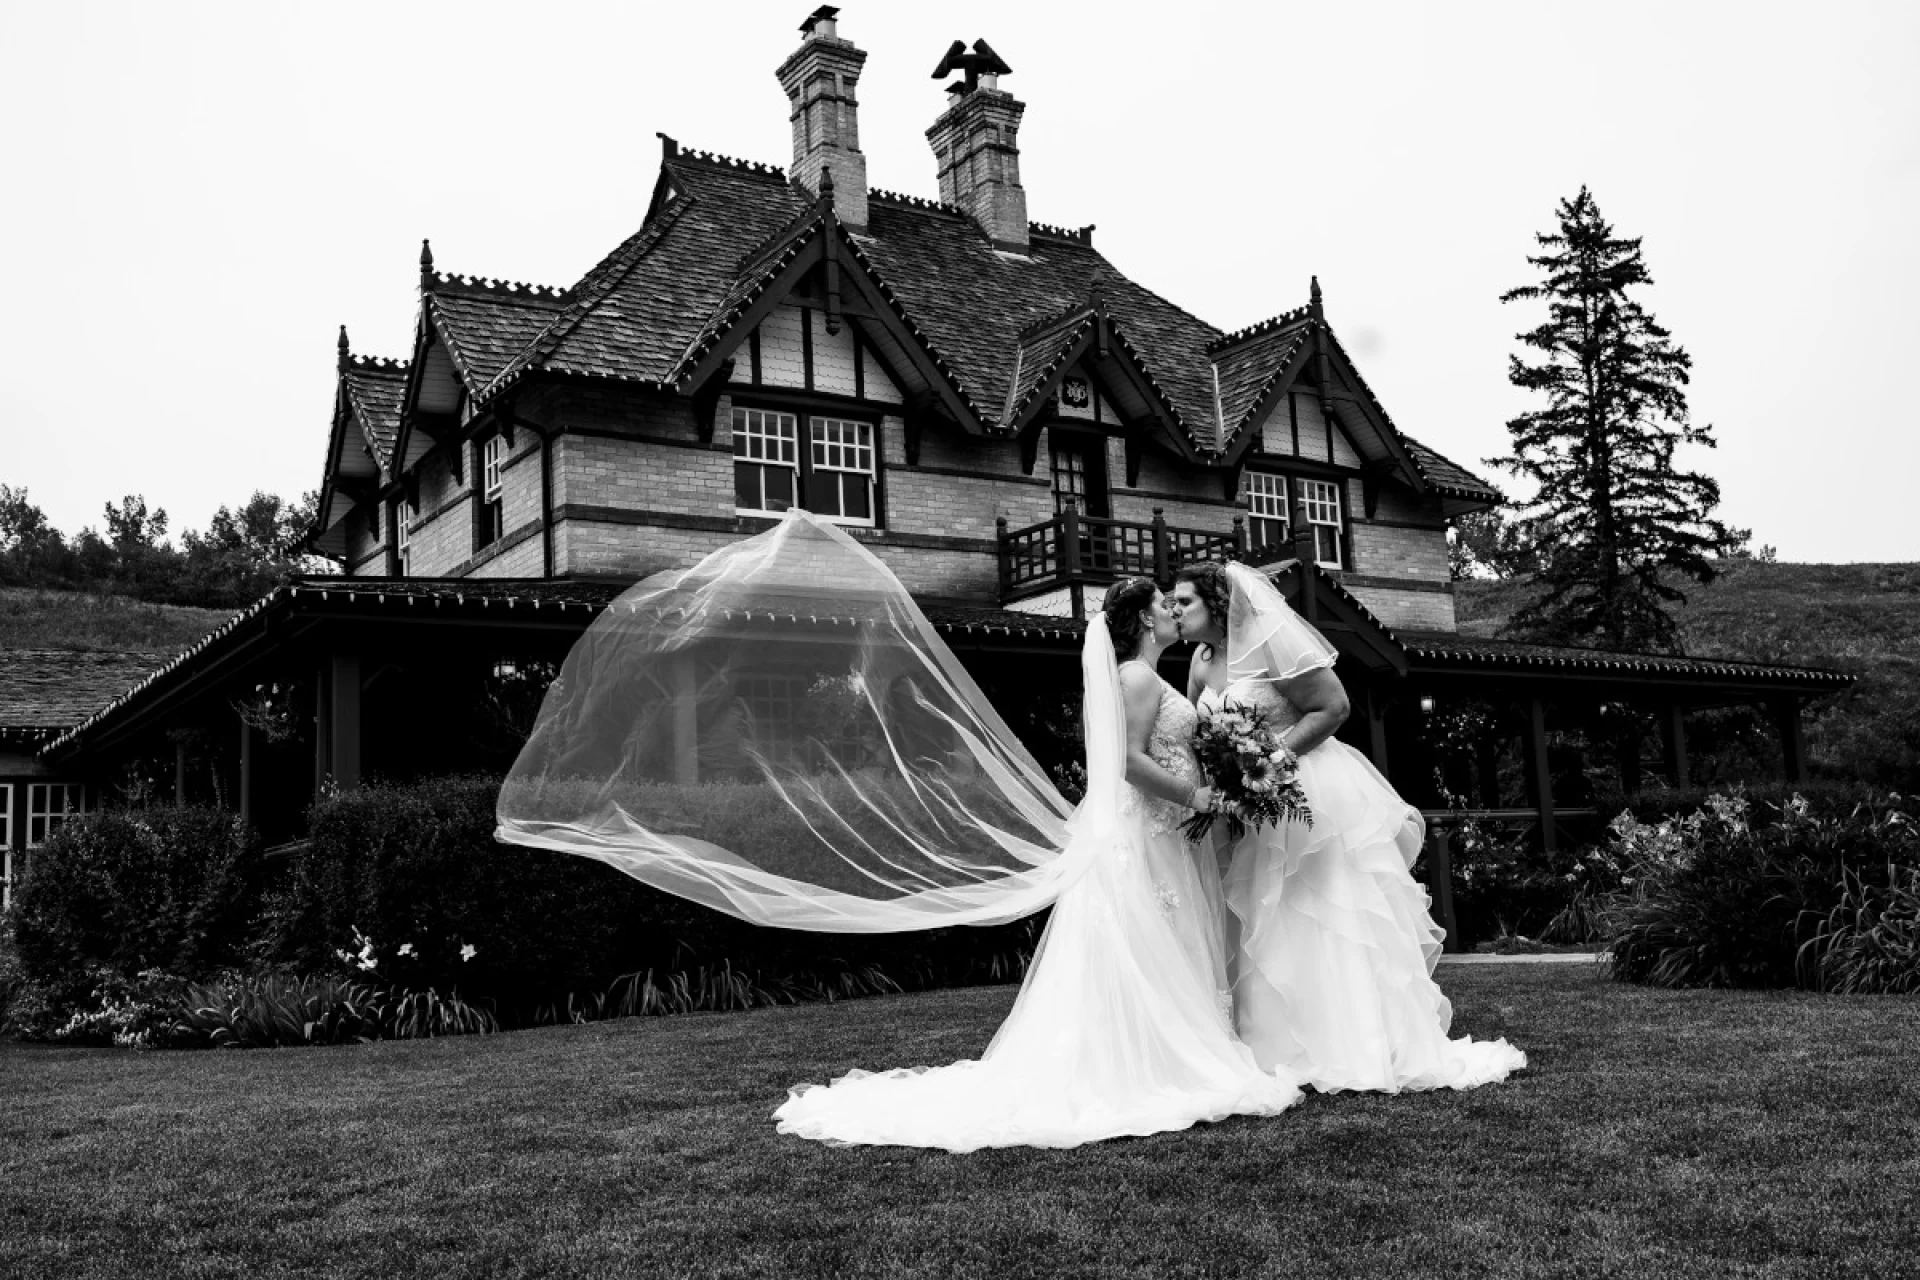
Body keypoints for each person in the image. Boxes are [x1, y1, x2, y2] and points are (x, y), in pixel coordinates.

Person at [498, 514, 1300, 1150]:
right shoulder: (1133, 678)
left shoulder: (1155, 676)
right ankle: (1153, 1062)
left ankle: (1168, 1052)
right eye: (1164, 604)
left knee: (1156, 948)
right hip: (1148, 830)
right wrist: (1199, 794)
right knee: (1140, 949)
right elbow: (1125, 764)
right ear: (1140, 625)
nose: (1173, 607)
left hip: (1158, 834)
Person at [1170, 560, 1526, 1094]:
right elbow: (1203, 734)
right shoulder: (1199, 659)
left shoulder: (1269, 644)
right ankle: (1271, 1046)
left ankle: (1349, 1043)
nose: (1175, 612)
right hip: (1248, 808)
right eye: (1173, 604)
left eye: (1184, 602)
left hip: (1306, 789)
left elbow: (1333, 707)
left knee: (1318, 909)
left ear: (1217, 604)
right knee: (1262, 913)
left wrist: (1267, 761)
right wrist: (1223, 785)